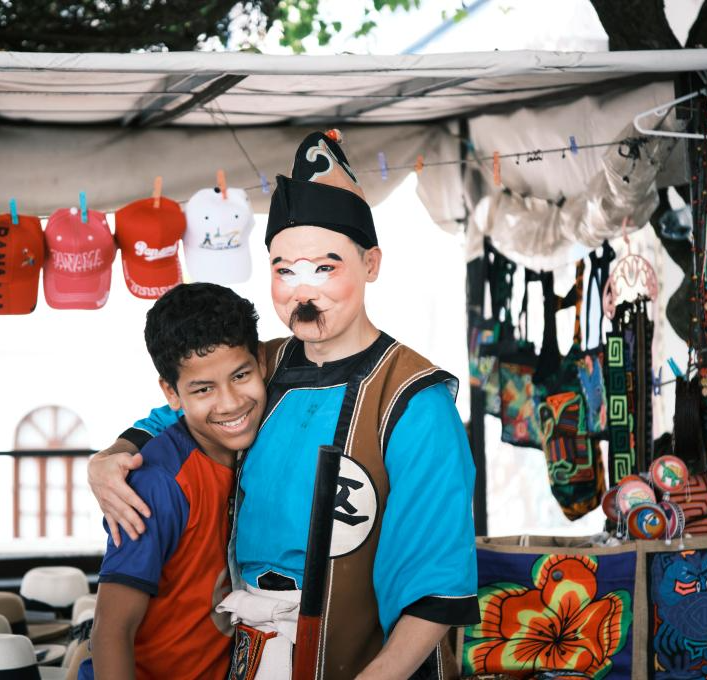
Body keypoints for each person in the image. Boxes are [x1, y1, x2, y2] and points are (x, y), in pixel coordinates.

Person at [90, 131, 479, 680]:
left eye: (325, 268)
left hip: (368, 658)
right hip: (252, 648)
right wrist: (110, 457)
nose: (303, 291)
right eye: (284, 270)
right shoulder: (261, 367)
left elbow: (437, 576)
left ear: (370, 263)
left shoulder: (413, 399)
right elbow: (175, 417)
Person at [80, 282, 266, 680]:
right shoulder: (157, 485)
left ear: (261, 363)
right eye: (204, 389)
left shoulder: (257, 449)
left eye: (241, 375)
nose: (231, 402)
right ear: (172, 392)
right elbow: (111, 631)